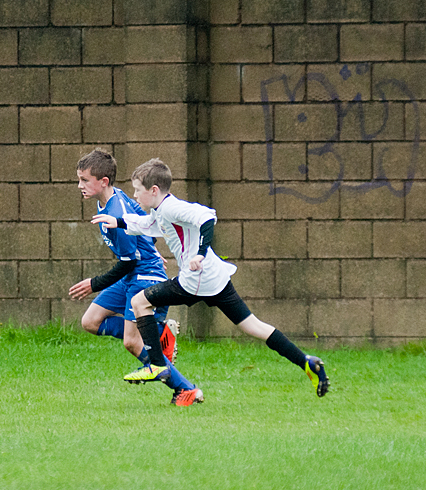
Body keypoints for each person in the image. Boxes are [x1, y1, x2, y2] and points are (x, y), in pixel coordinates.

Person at [91, 158, 330, 397]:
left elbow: (207, 217)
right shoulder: (162, 210)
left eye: (137, 191)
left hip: (196, 280)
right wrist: (119, 222)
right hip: (216, 278)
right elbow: (149, 225)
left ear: (154, 190)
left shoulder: (172, 208)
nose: (134, 196)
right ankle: (306, 361)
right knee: (253, 326)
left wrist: (200, 253)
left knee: (140, 302)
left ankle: (157, 365)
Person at [68, 149, 204, 406]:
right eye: (80, 179)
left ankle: (186, 389)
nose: (80, 185)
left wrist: (93, 284)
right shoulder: (114, 197)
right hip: (133, 272)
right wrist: (149, 246)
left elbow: (129, 261)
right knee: (91, 321)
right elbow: (145, 222)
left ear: (103, 181)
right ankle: (157, 334)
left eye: (85, 180)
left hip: (142, 275)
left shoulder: (116, 210)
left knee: (132, 342)